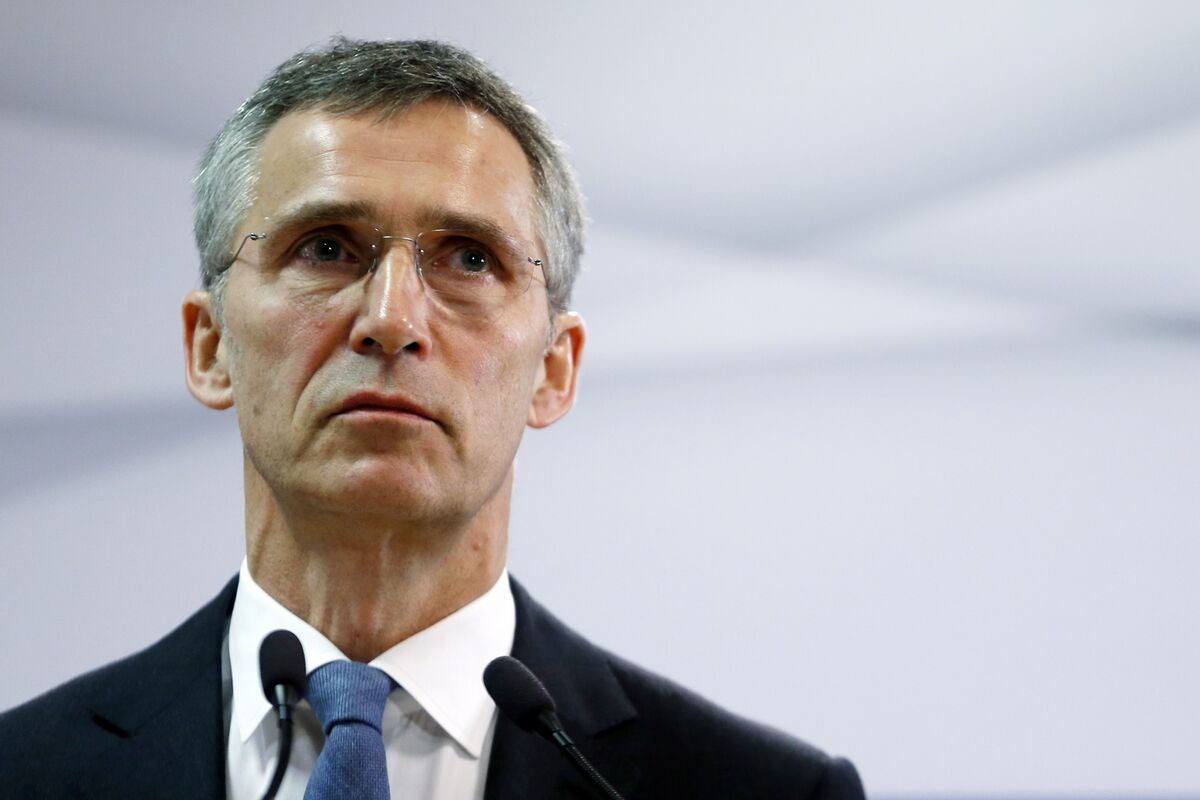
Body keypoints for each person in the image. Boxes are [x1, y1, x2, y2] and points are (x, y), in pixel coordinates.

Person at [0, 38, 865, 799]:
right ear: (210, 346)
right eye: (326, 247)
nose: (392, 319)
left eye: (469, 258)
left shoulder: (766, 793)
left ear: (554, 370)